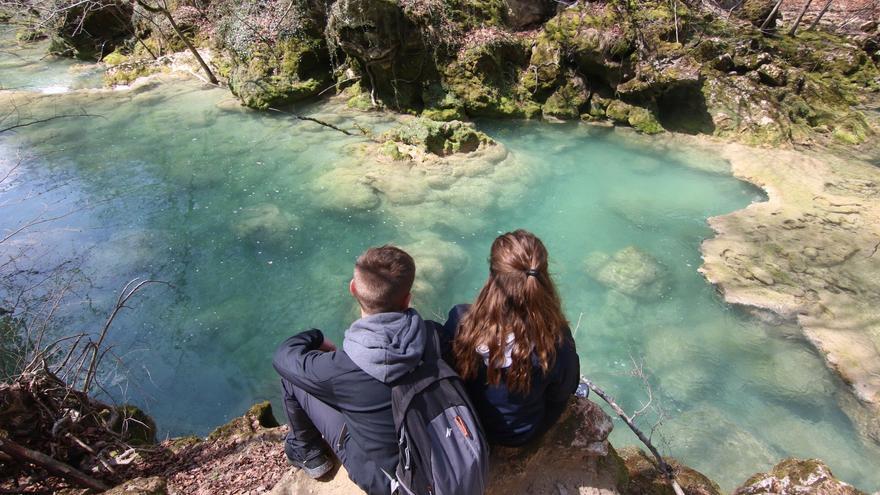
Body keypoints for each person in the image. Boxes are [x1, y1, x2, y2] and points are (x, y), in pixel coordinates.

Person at [272, 245, 435, 495]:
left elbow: (283, 358)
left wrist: (315, 337)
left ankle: (309, 454)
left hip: (397, 485)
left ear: (352, 288)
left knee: (294, 380)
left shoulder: (342, 368)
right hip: (445, 453)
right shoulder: (434, 335)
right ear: (408, 298)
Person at [440, 229, 580, 446]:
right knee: (565, 388)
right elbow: (565, 389)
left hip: (470, 424)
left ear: (492, 275)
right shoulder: (555, 340)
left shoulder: (461, 321)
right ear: (543, 276)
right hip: (520, 435)